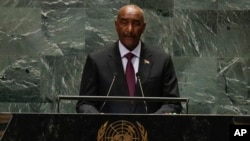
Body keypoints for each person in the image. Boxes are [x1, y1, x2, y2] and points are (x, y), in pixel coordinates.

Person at [76, 4, 182, 114]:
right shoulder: (97, 60)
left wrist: (152, 121)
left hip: (151, 130)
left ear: (143, 27)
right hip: (109, 130)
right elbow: (85, 103)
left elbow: (172, 103)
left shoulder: (162, 61)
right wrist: (100, 119)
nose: (130, 29)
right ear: (116, 25)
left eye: (136, 23)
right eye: (124, 22)